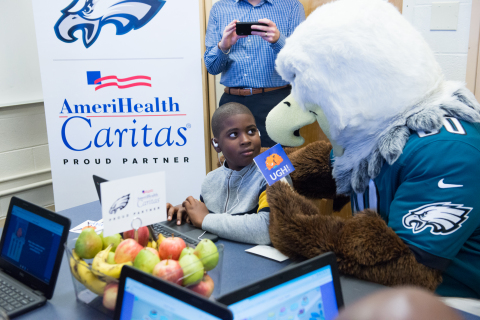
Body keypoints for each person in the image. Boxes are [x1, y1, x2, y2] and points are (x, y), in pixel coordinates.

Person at [204, 0, 305, 147]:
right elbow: (212, 68)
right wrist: (223, 46)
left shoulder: (292, 6)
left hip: (276, 104)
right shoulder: (220, 8)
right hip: (232, 104)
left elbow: (301, 63)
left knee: (276, 167)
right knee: (237, 167)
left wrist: (278, 40)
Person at [166, 102, 270, 244]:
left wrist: (204, 219)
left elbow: (267, 229)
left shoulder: (272, 170)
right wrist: (189, 214)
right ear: (216, 144)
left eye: (251, 131)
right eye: (234, 134)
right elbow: (205, 222)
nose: (246, 140)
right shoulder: (210, 180)